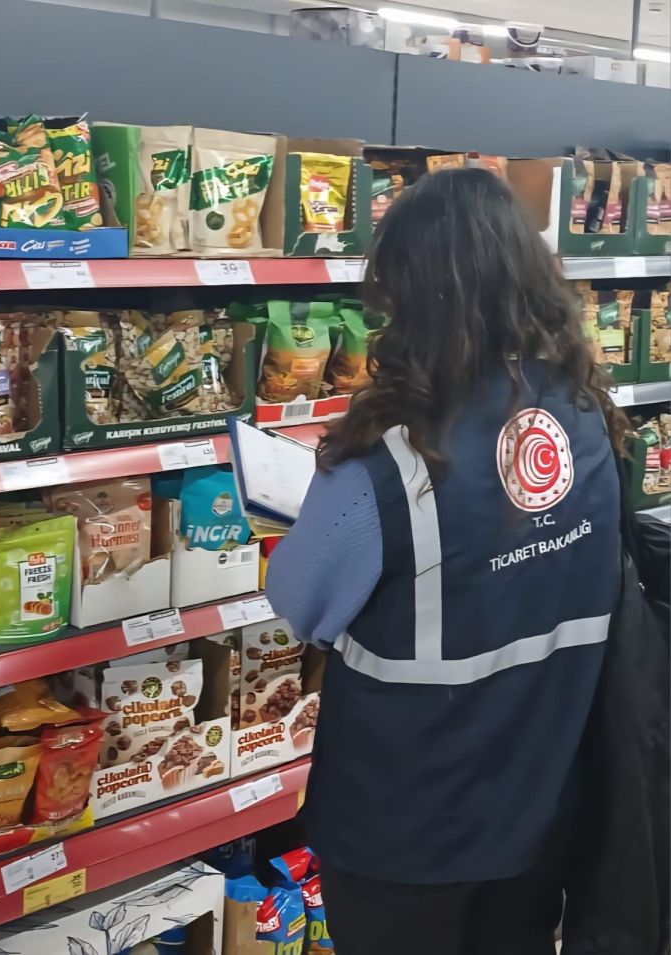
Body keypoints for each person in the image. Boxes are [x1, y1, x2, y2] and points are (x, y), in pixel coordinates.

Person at [266, 168, 625, 955]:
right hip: (539, 803)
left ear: (412, 294)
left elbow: (299, 598)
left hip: (406, 825)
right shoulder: (587, 413)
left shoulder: (388, 458)